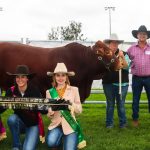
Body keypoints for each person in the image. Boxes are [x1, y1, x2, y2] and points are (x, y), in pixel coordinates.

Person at [46, 62, 86, 150]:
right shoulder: (49, 92)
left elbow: (79, 110)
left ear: (66, 77)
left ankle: (66, 138)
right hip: (56, 124)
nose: (60, 78)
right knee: (50, 142)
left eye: (63, 75)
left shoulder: (74, 90)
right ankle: (61, 137)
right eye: (58, 75)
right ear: (54, 77)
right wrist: (50, 113)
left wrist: (71, 104)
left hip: (70, 125)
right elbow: (49, 114)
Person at [5, 65, 45, 150]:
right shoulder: (11, 91)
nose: (20, 80)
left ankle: (34, 136)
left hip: (33, 124)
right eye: (17, 77)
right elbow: (2, 107)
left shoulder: (34, 90)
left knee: (28, 149)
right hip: (19, 123)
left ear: (27, 78)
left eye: (23, 77)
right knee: (11, 119)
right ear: (15, 78)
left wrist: (42, 106)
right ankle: (16, 146)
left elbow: (44, 111)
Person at [102, 33, 130, 128]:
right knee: (110, 104)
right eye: (112, 43)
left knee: (121, 105)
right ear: (108, 44)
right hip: (108, 84)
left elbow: (127, 67)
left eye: (116, 43)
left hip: (122, 84)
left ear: (118, 44)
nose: (114, 45)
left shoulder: (124, 54)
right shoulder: (105, 56)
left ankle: (123, 123)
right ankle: (109, 123)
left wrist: (122, 57)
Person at [127, 25, 150, 127]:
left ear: (147, 36)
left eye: (144, 34)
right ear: (137, 35)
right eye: (140, 34)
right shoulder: (131, 49)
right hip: (136, 78)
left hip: (149, 78)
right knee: (135, 99)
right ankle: (135, 119)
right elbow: (126, 61)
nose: (142, 35)